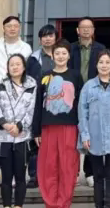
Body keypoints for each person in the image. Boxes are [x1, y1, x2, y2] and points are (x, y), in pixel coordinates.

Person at [32, 39, 83, 208]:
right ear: (52, 56)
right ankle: (51, 203)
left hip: (69, 127)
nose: (60, 56)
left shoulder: (75, 76)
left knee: (67, 167)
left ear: (69, 56)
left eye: (64, 53)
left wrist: (83, 129)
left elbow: (81, 104)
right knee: (48, 167)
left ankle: (63, 203)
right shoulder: (44, 75)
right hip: (48, 127)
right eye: (57, 53)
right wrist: (36, 131)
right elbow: (38, 104)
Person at [0, 15, 33, 190]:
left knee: (17, 139)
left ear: (19, 28)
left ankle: (13, 175)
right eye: (9, 26)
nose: (12, 28)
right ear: (3, 28)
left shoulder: (26, 48)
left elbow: (27, 72)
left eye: (15, 26)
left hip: (20, 97)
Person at [79, 50, 110, 208]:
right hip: (94, 138)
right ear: (96, 65)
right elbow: (82, 114)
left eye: (107, 62)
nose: (104, 65)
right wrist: (85, 135)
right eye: (101, 62)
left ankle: (108, 205)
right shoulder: (88, 87)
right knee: (98, 176)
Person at [0, 54, 37, 208]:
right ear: (8, 68)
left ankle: (18, 206)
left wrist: (19, 126)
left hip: (22, 137)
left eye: (18, 64)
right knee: (6, 177)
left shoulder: (32, 85)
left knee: (20, 177)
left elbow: (32, 110)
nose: (15, 67)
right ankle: (6, 206)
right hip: (4, 136)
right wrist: (5, 125)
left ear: (24, 67)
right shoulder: (1, 85)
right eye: (12, 64)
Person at [70, 17, 106, 188]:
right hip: (73, 95)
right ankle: (74, 172)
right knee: (74, 135)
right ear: (77, 30)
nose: (85, 30)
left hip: (94, 95)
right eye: (82, 27)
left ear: (93, 30)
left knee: (92, 133)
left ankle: (90, 172)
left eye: (89, 27)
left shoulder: (101, 48)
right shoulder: (70, 48)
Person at [26, 23, 58, 188]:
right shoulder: (33, 59)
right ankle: (34, 175)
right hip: (37, 103)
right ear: (40, 40)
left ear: (55, 38)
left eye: (50, 35)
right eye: (44, 36)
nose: (47, 39)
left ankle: (52, 175)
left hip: (57, 105)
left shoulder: (61, 55)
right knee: (36, 139)